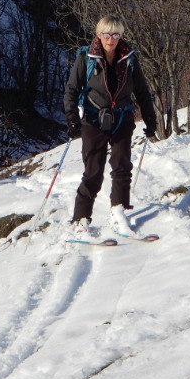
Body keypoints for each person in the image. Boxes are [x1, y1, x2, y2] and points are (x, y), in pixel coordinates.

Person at [63, 15, 158, 238]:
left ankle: (119, 212)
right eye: (106, 34)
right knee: (93, 171)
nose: (111, 39)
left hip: (122, 118)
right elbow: (71, 90)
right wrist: (71, 117)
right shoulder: (86, 58)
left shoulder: (129, 59)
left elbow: (142, 92)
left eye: (115, 34)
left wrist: (150, 119)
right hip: (94, 119)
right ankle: (81, 219)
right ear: (99, 34)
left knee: (122, 166)